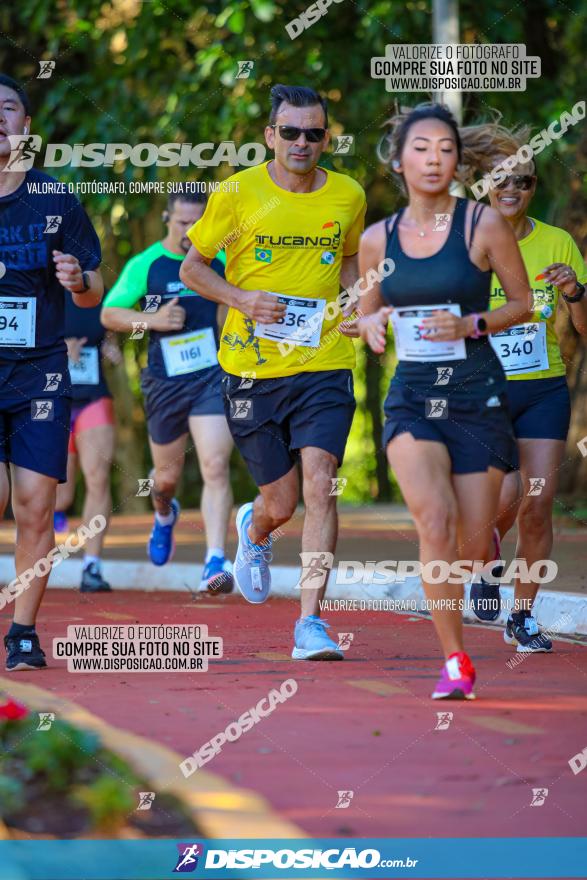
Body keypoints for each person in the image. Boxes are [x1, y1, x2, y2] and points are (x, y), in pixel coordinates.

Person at [343, 103, 533, 698]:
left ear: (458, 161)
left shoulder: (483, 226)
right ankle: (455, 660)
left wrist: (473, 324)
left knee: (473, 544)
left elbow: (522, 305)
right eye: (421, 148)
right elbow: (366, 318)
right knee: (434, 520)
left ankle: (487, 547)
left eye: (445, 150)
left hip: (477, 396)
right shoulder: (377, 241)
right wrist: (370, 329)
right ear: (398, 161)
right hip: (414, 398)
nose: (433, 159)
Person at [179, 84, 366, 660]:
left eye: (314, 133)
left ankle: (310, 623)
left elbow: (353, 257)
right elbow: (192, 268)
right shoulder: (237, 193)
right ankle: (255, 529)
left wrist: (360, 301)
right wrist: (241, 298)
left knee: (321, 482)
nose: (302, 142)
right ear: (270, 136)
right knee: (281, 502)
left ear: (326, 138)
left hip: (324, 363)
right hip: (250, 368)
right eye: (290, 132)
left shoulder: (349, 194)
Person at [460, 121, 587, 650]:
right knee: (504, 494)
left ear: (535, 188)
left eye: (525, 182)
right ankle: (485, 563)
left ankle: (523, 615)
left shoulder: (557, 243)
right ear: (485, 184)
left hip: (543, 387)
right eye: (501, 180)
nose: (512, 190)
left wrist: (575, 291)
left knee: (538, 498)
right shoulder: (463, 238)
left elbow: (583, 330)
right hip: (483, 387)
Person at [0, 74, 103, 671]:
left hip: (38, 368)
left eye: (9, 107)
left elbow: (94, 291)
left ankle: (22, 632)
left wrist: (77, 280)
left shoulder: (54, 199)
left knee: (35, 506)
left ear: (26, 128)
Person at [101, 191, 234, 593]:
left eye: (198, 225)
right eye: (182, 224)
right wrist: (153, 319)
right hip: (165, 381)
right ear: (166, 218)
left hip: (212, 376)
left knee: (214, 464)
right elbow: (109, 313)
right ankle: (164, 515)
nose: (190, 233)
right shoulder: (147, 264)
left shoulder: (222, 262)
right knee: (166, 479)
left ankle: (214, 560)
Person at [53, 291, 122, 593]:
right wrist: (59, 351)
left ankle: (91, 565)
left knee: (98, 480)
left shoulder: (99, 296)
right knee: (60, 496)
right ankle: (35, 555)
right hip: (53, 402)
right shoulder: (41, 293)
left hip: (93, 397)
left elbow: (110, 344)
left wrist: (111, 352)